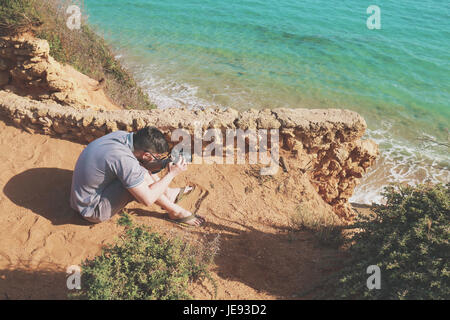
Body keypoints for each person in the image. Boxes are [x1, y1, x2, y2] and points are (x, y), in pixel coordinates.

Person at [70, 126, 205, 226]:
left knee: (138, 170)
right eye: (157, 157)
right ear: (146, 155)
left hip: (82, 197)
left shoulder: (122, 136)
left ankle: (168, 194)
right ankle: (175, 212)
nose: (157, 159)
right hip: (92, 210)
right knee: (139, 173)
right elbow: (148, 199)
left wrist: (164, 163)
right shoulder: (124, 160)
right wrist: (171, 174)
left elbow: (140, 163)